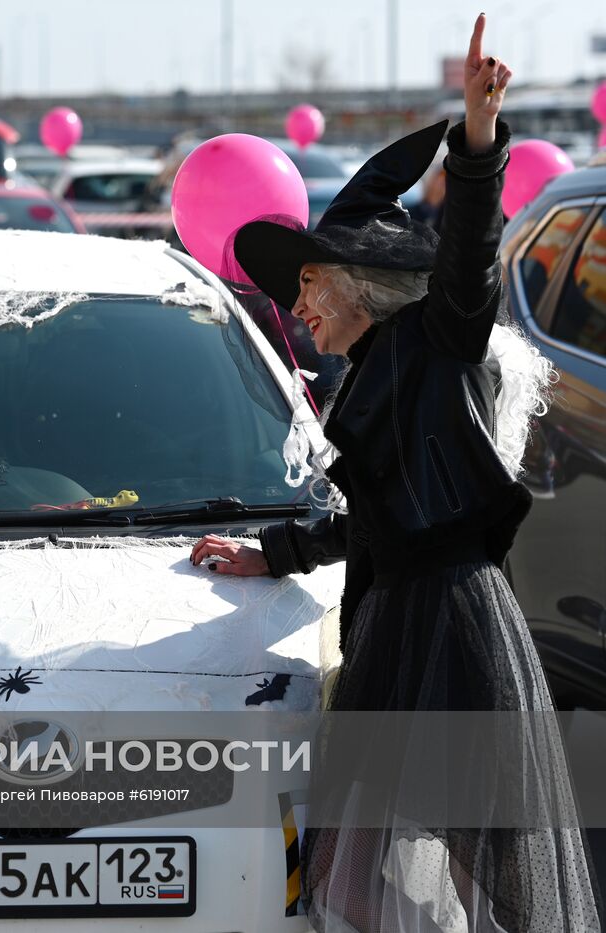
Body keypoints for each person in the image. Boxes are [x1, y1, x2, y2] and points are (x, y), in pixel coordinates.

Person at [191, 16, 599, 930]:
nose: (297, 305)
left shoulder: (433, 340)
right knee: (359, 874)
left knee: (473, 869)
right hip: (395, 627)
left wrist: (478, 141)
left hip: (453, 630)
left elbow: (469, 265)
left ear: (354, 281)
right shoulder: (372, 368)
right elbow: (374, 516)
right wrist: (276, 552)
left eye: (308, 284)